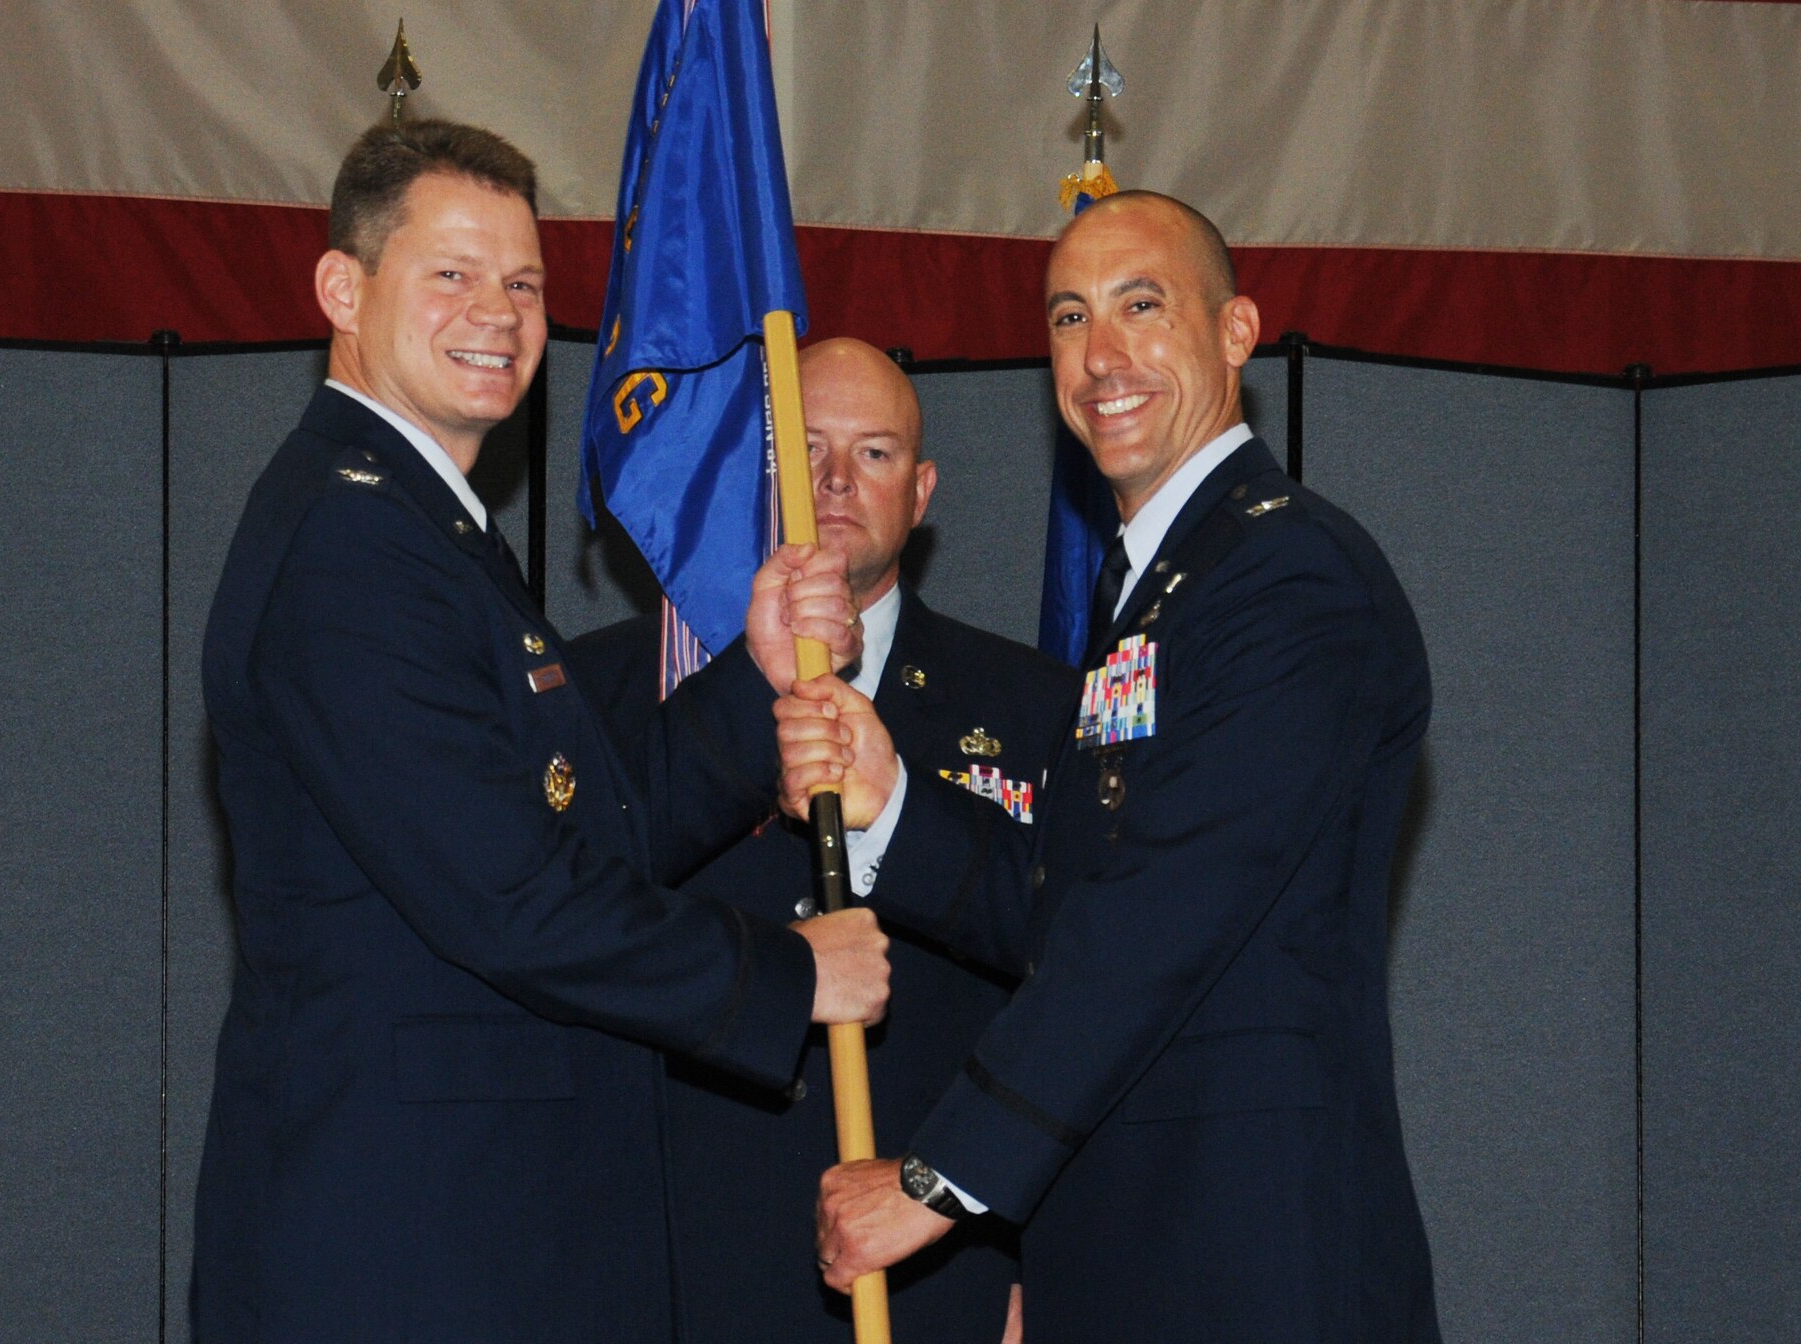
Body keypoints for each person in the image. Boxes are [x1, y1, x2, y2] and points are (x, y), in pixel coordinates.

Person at [192, 119, 891, 1344]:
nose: (498, 314)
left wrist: (754, 679)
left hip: (483, 1228)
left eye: (522, 282)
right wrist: (787, 974)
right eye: (451, 275)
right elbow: (509, 897)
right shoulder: (354, 549)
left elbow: (585, 825)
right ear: (342, 290)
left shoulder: (426, 530)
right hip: (411, 1249)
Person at [780, 192, 1442, 1341]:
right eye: (1070, 318)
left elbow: (1164, 912)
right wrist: (890, 805)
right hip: (1132, 1253)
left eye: (1143, 306)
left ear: (1235, 331)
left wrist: (941, 1178)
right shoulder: (1155, 585)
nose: (1101, 356)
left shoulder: (1288, 575)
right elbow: (1070, 901)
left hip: (1248, 1263)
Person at [574, 338, 1078, 1344]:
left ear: (921, 489)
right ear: (761, 470)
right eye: (807, 449)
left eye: (876, 454)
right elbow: (564, 931)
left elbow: (1072, 1000)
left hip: (933, 1273)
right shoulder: (620, 692)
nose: (839, 482)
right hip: (681, 1261)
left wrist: (1036, 1266)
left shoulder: (1031, 706)